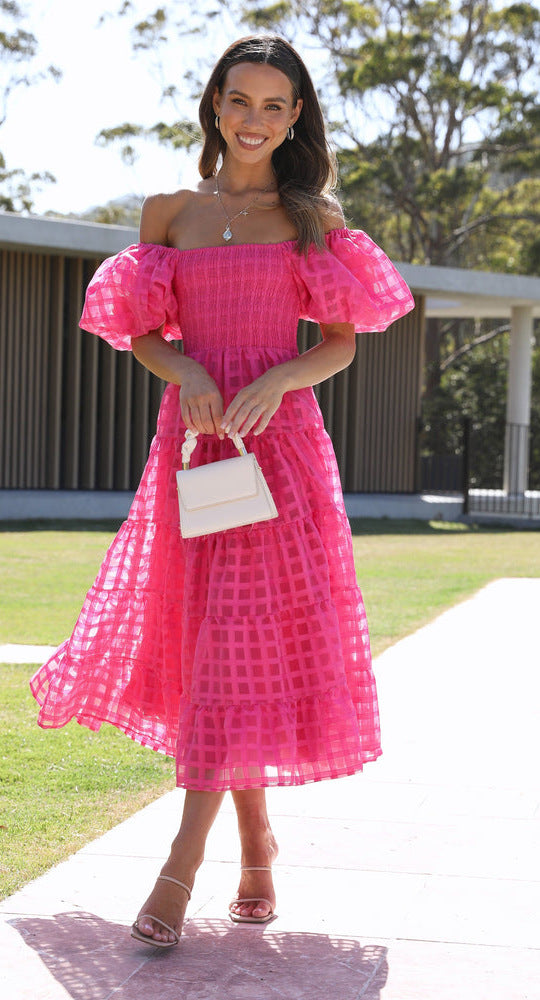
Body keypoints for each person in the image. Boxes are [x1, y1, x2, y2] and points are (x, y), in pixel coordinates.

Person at [30, 34, 414, 947]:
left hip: (280, 451)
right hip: (196, 450)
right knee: (219, 648)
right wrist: (188, 371)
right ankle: (257, 848)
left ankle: (182, 864)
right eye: (240, 100)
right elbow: (138, 329)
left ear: (295, 117)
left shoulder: (313, 217)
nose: (254, 120)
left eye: (275, 105)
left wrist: (277, 379)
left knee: (240, 640)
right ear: (215, 104)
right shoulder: (169, 213)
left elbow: (339, 344)